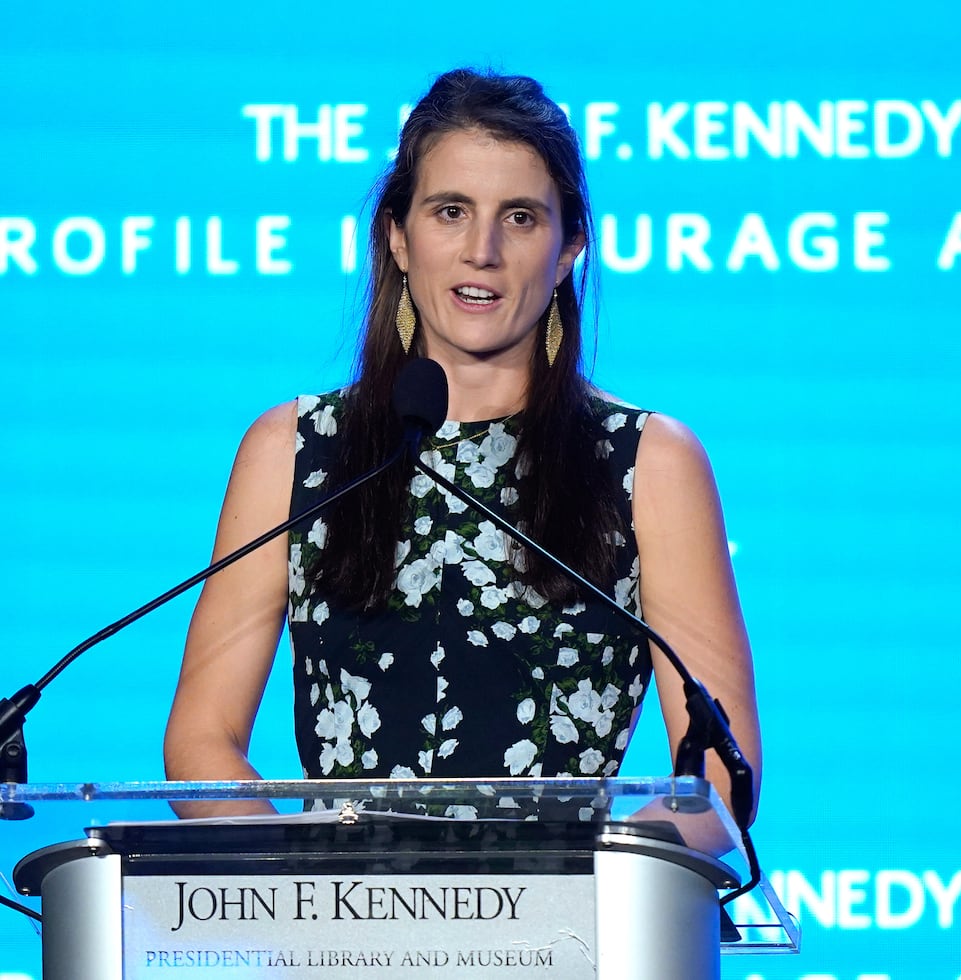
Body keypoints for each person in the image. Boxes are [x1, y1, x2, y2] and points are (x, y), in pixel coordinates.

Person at [164, 68, 762, 830]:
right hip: (338, 930)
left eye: (519, 218)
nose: (482, 250)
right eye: (450, 211)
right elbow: (200, 740)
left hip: (569, 935)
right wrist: (299, 883)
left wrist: (596, 885)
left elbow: (719, 771)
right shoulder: (293, 450)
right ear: (398, 236)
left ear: (570, 246)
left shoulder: (650, 462)